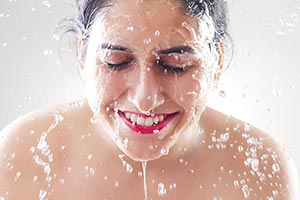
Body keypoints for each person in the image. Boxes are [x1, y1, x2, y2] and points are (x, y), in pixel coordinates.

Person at [0, 0, 299, 199]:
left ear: (216, 61)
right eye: (115, 61)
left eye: (175, 64)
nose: (145, 99)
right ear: (82, 55)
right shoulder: (22, 155)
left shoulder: (258, 165)